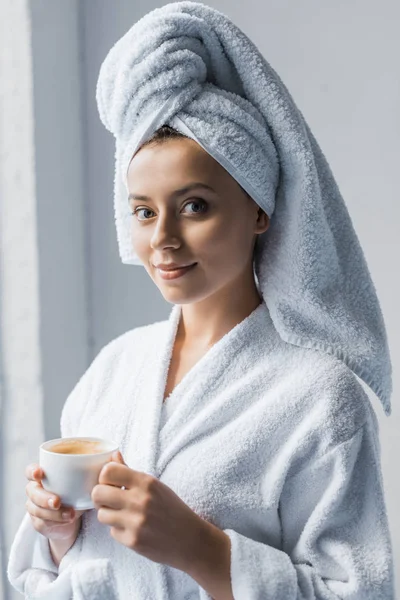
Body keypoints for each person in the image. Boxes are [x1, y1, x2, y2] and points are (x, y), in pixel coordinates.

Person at [8, 2, 395, 599]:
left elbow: (360, 591)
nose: (162, 238)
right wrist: (58, 533)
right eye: (143, 211)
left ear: (260, 209)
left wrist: (202, 550)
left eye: (194, 206)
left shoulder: (322, 399)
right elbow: (58, 577)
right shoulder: (113, 371)